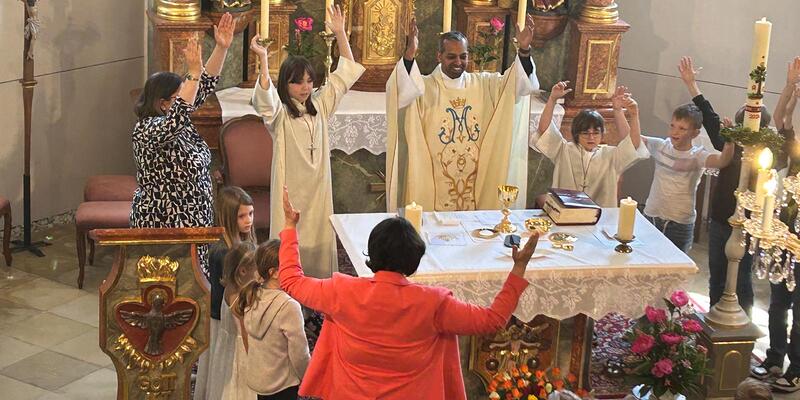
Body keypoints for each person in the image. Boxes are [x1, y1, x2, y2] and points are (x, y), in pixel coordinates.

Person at [278, 187, 537, 400]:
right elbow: (492, 320)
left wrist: (290, 227)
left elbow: (290, 280)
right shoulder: (433, 304)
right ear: (413, 259)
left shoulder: (342, 292)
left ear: (372, 252)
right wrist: (519, 268)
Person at [250, 5, 364, 278]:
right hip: (291, 190)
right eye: (298, 82)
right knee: (292, 246)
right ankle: (289, 284)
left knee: (318, 244)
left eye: (310, 81)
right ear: (285, 84)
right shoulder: (280, 116)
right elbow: (265, 98)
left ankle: (319, 287)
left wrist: (340, 34)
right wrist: (263, 58)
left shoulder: (320, 105)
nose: (305, 87)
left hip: (318, 189)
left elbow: (345, 75)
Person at [385, 15, 540, 212]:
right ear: (439, 56)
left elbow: (516, 85)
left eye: (463, 56)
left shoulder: (485, 85)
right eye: (451, 56)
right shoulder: (423, 87)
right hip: (433, 186)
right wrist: (409, 55)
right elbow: (398, 91)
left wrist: (524, 51)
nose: (458, 61)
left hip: (476, 186)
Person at [130, 13, 235, 278]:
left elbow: (204, 86)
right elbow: (181, 110)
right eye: (178, 97)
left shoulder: (179, 120)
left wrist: (221, 47)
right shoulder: (148, 130)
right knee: (168, 287)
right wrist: (193, 72)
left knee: (194, 286)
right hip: (165, 223)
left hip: (194, 219)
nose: (186, 100)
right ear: (164, 103)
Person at [679, 55, 772, 314]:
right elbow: (709, 116)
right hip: (721, 219)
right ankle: (714, 318)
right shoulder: (729, 142)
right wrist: (691, 84)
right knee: (717, 275)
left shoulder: (765, 153)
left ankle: (743, 324)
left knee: (741, 279)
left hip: (747, 224)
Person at [751, 57, 800, 393]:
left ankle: (796, 368)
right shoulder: (795, 158)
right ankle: (773, 358)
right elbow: (782, 118)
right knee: (778, 304)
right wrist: (790, 87)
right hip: (785, 241)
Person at [532, 83, 649, 207]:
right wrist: (552, 99)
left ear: (602, 134)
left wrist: (629, 113)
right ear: (576, 134)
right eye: (585, 133)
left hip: (600, 214)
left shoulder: (611, 156)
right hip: (566, 211)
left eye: (596, 133)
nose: (591, 138)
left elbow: (633, 144)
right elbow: (544, 130)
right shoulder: (564, 150)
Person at [641, 102, 734, 253]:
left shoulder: (697, 156)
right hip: (652, 215)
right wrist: (629, 113)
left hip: (679, 223)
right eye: (672, 126)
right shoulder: (661, 146)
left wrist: (729, 141)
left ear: (695, 133)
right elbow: (634, 140)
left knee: (676, 264)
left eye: (682, 128)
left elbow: (722, 161)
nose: (675, 132)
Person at [194, 186, 256, 400]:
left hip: (234, 310)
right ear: (228, 218)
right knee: (225, 362)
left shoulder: (242, 244)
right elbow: (229, 292)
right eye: (242, 216)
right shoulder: (221, 252)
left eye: (251, 213)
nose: (249, 220)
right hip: (224, 316)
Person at [236, 240, 310, 400]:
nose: (299, 270)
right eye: (292, 266)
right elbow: (299, 354)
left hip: (260, 382)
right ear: (274, 272)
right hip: (283, 384)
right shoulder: (289, 306)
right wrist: (308, 378)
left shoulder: (252, 294)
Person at [206, 242, 258, 400]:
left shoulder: (229, 288)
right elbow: (245, 331)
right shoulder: (241, 298)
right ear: (243, 271)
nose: (259, 274)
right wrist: (253, 356)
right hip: (240, 348)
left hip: (226, 345)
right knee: (239, 386)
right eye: (257, 269)